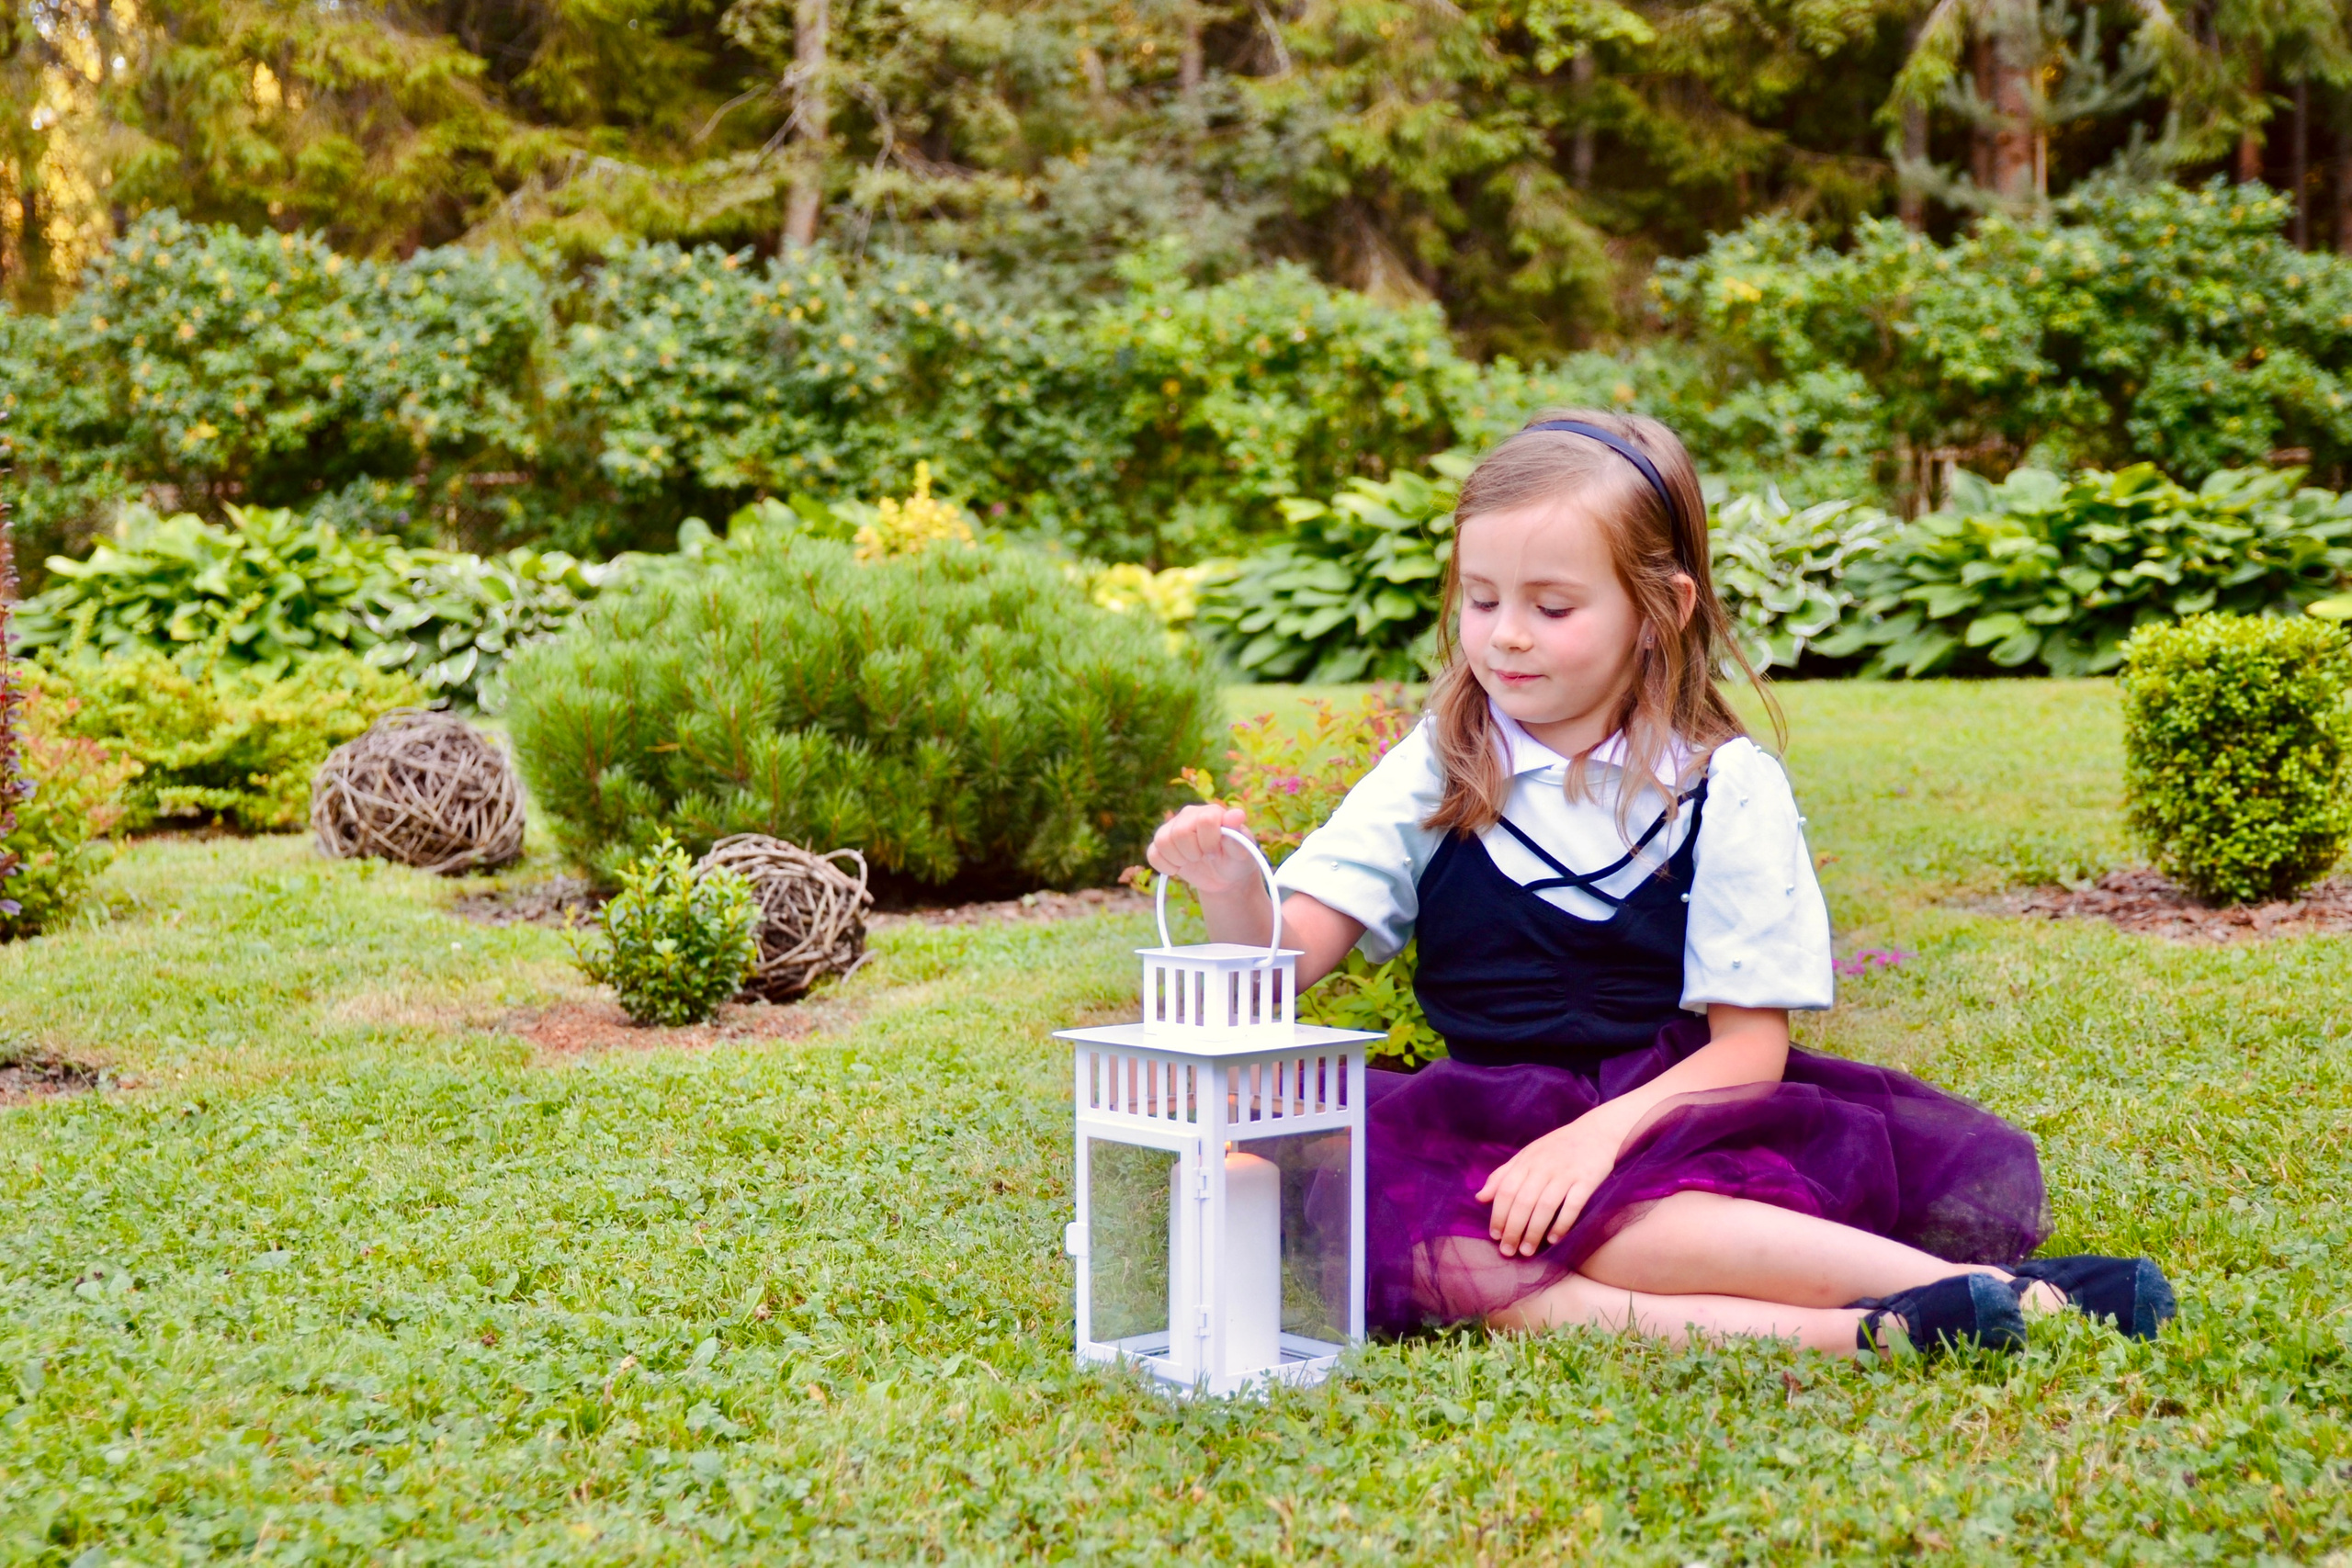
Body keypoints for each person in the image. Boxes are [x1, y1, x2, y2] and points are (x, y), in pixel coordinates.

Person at [1148, 410, 2175, 1359]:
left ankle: (1993, 1290)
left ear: (1660, 610)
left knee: (1631, 1227)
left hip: (1677, 1113)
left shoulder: (1722, 786)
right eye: (1481, 598)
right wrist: (1226, 883)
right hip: (1480, 1122)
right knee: (1447, 1258)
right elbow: (1285, 957)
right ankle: (1871, 1336)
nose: (1505, 634)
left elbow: (1748, 1050)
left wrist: (1589, 1146)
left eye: (1552, 606)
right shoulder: (1443, 760)